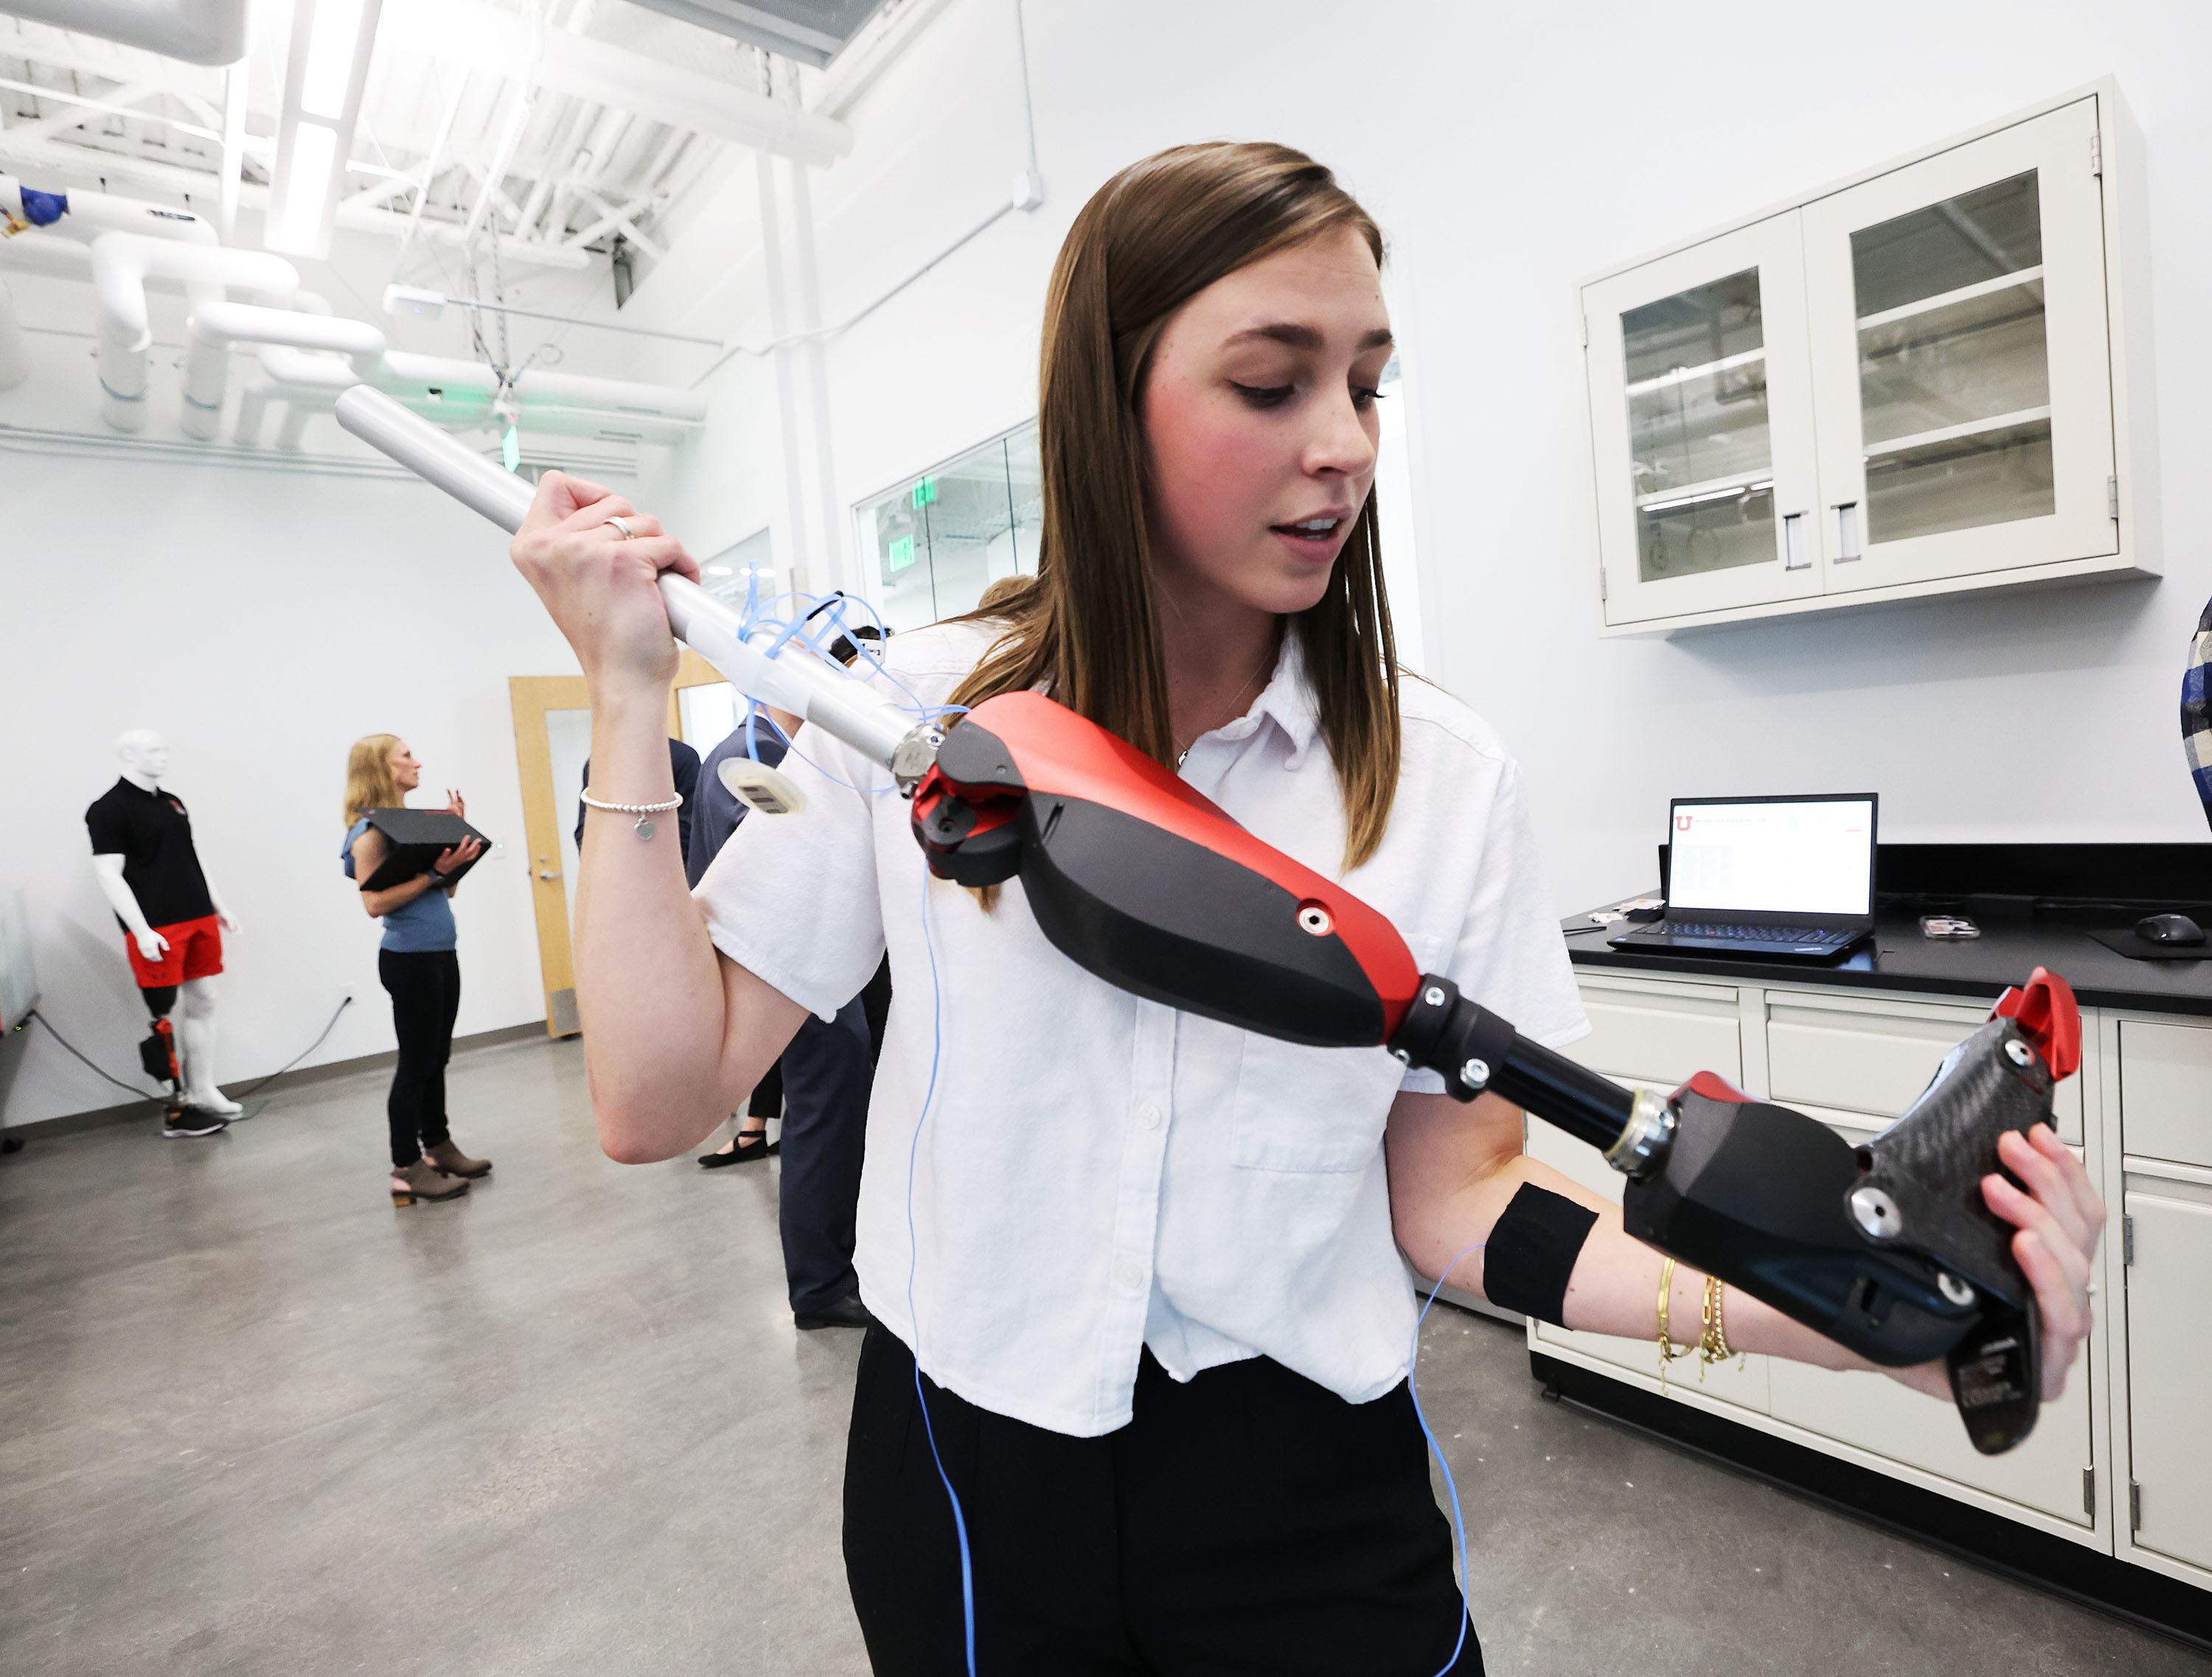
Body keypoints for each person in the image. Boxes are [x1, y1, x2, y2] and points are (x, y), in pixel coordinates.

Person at [507, 143, 2105, 1676]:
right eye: (1272, 385)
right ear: (1104, 406)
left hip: (1307, 1488)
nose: (1343, 439)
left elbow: (1464, 1204)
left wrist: (1819, 1322)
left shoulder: (1439, 780)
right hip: (966, 1473)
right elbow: (659, 1099)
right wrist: (629, 694)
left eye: (1368, 383)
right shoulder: (915, 726)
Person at [689, 688, 881, 1332]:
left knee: (833, 1114)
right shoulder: (752, 758)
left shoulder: (780, 753)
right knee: (821, 1118)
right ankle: (821, 1285)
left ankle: (838, 1265)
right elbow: (779, 869)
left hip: (813, 967)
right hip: (790, 972)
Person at [341, 735, 490, 1208]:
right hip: (409, 961)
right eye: (406, 756)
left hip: (440, 953)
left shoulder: (412, 826)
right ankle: (405, 1168)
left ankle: (439, 1147)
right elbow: (374, 902)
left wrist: (454, 858)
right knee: (416, 1063)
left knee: (436, 1057)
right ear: (381, 769)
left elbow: (443, 895)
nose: (417, 762)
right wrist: (431, 875)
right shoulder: (368, 834)